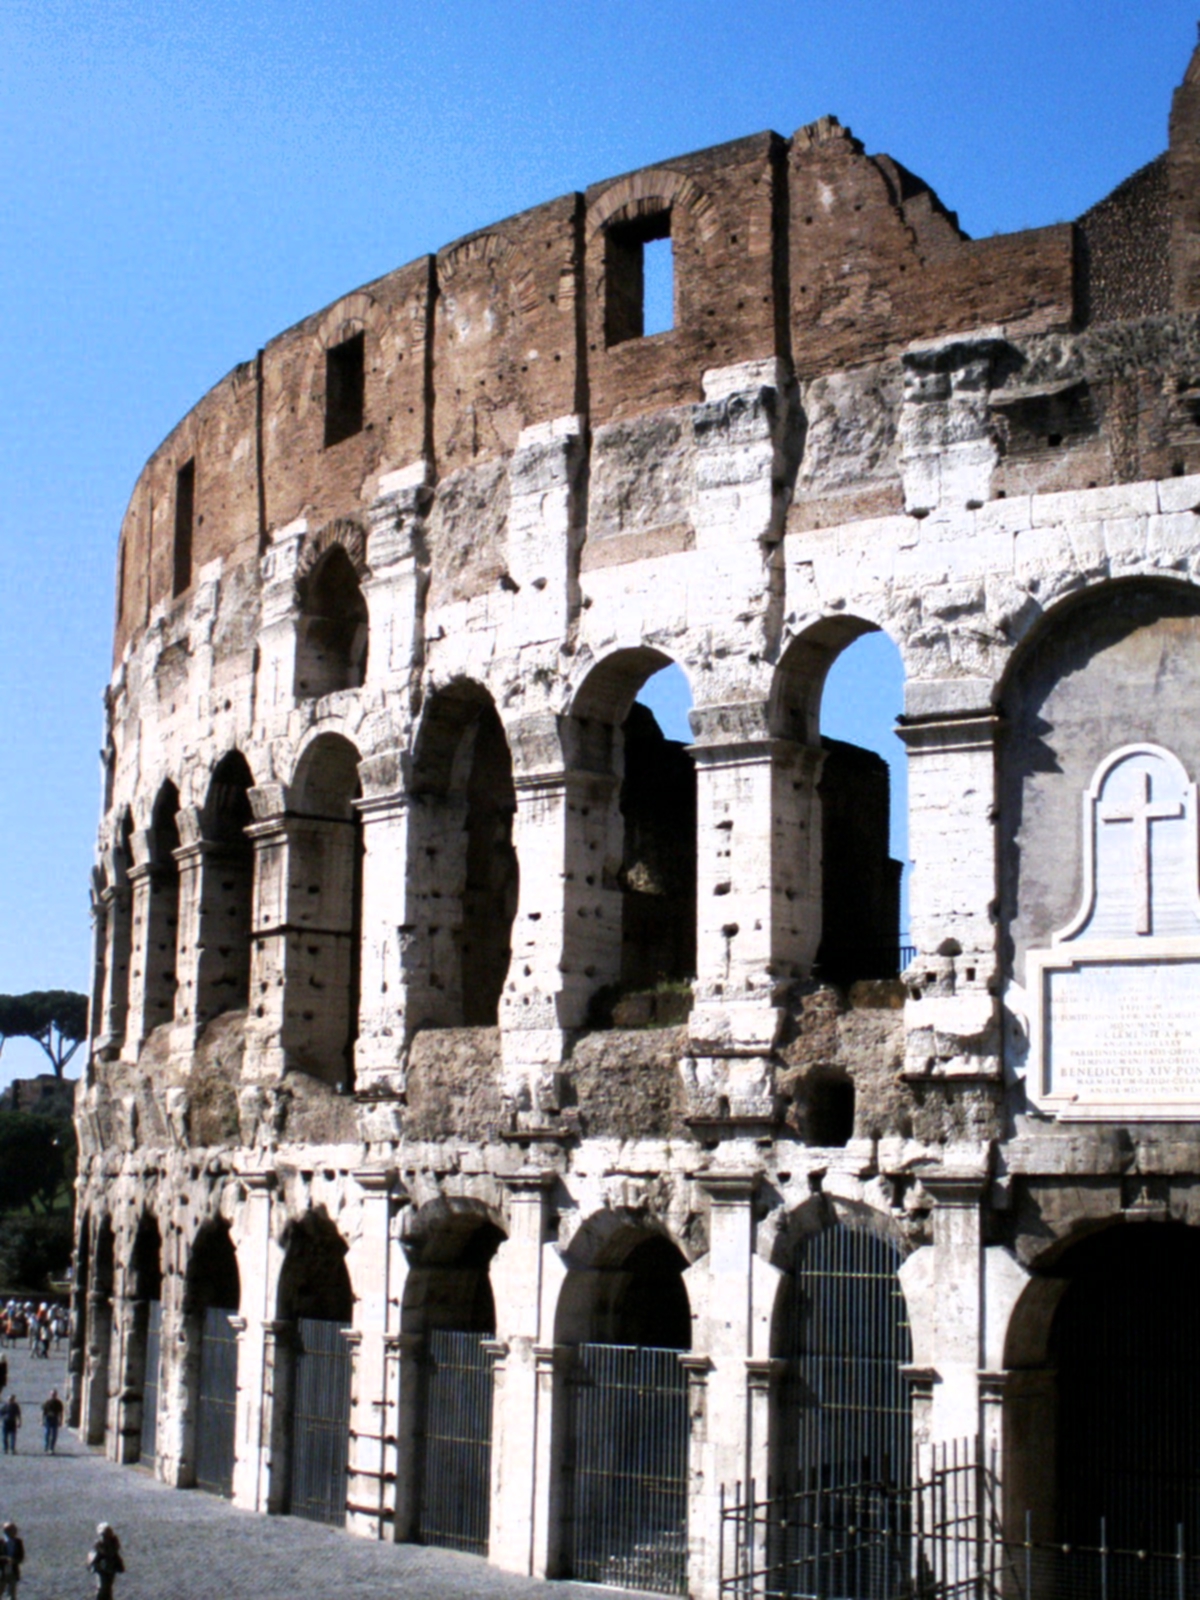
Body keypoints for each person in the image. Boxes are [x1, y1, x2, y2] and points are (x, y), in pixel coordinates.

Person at [87, 1525, 123, 1600]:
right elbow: (94, 1558)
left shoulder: (113, 1545)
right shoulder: (99, 1546)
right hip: (102, 1569)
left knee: (107, 1588)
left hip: (110, 1568)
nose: (104, 1538)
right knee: (102, 1589)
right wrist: (93, 1565)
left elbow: (115, 1556)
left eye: (106, 1535)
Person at [0, 1522, 23, 1599]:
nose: (15, 1532)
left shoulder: (18, 1542)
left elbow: (21, 1556)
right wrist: (5, 1559)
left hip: (13, 1571)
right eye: (12, 1530)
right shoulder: (1, 1542)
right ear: (6, 1531)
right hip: (2, 1571)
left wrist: (14, 1560)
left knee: (12, 1595)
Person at [40, 1390, 62, 1454]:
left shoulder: (58, 1403)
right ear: (50, 1395)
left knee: (54, 1434)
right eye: (52, 1394)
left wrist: (60, 1421)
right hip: (48, 1419)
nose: (53, 1396)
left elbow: (60, 1413)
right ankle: (46, 1447)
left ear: (56, 1395)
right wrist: (42, 1420)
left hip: (55, 1419)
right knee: (47, 1433)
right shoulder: (47, 1402)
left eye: (54, 1394)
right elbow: (43, 1412)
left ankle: (51, 1448)